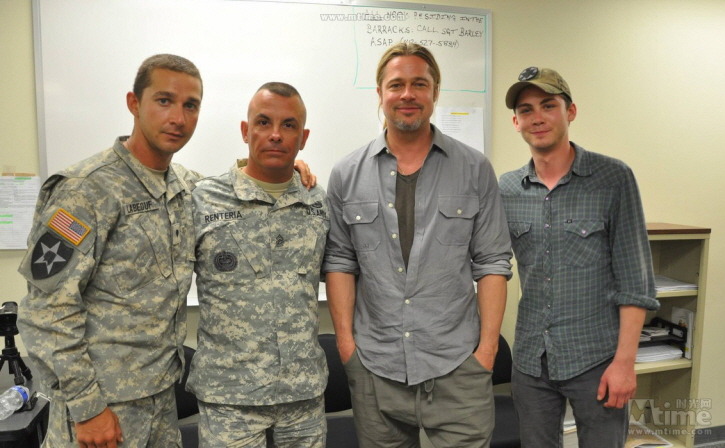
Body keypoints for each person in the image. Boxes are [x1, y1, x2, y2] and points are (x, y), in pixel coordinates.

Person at [17, 55, 314, 448]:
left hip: (161, 401)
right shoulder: (84, 190)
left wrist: (286, 167)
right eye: (164, 101)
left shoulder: (186, 188)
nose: (178, 117)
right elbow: (46, 311)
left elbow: (237, 186)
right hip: (100, 411)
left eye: (190, 105)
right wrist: (86, 407)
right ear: (134, 103)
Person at [323, 42, 513, 447]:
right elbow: (340, 262)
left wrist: (487, 352)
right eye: (396, 84)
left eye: (419, 84)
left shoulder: (474, 169)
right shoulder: (346, 174)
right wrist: (347, 348)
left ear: (435, 92)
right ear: (380, 93)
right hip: (376, 368)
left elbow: (493, 263)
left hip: (458, 367)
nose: (407, 94)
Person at [499, 67, 659, 447]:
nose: (537, 117)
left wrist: (625, 363)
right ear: (516, 122)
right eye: (526, 110)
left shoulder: (613, 178)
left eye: (548, 105)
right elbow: (489, 264)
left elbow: (636, 282)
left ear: (570, 112)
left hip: (597, 360)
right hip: (531, 361)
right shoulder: (506, 188)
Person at [186, 82, 329, 447]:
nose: (275, 135)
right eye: (263, 123)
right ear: (245, 131)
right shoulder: (203, 200)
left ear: (303, 137)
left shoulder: (318, 202)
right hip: (229, 399)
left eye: (289, 125)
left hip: (302, 398)